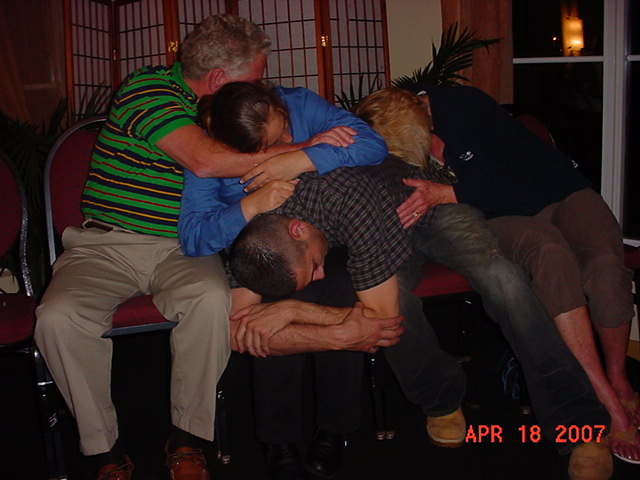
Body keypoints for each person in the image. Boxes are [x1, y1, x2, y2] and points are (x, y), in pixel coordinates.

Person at [226, 86, 623, 480]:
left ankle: (580, 426)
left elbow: (377, 320)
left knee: (502, 279)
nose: (322, 273)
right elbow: (239, 329)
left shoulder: (350, 200)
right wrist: (290, 320)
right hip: (383, 225)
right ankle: (441, 399)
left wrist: (290, 310)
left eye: (315, 266)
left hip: (428, 206)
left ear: (297, 231)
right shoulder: (251, 228)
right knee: (399, 301)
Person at [34, 14, 278, 480]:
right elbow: (205, 161)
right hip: (105, 245)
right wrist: (305, 153)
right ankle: (106, 452)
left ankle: (186, 441)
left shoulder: (226, 111)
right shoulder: (147, 89)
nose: (261, 88)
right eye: (254, 78)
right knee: (57, 317)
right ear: (218, 78)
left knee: (211, 298)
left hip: (180, 247)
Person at [393, 82, 640, 465]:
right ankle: (602, 400)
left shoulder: (457, 103)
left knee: (607, 265)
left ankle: (619, 380)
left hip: (558, 190)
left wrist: (450, 192)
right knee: (550, 256)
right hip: (504, 215)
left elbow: (507, 177)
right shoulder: (399, 151)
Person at [179, 80, 389, 480]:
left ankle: (335, 428)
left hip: (324, 234)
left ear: (278, 105)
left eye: (285, 130)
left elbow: (373, 146)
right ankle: (279, 437)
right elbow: (195, 238)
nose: (287, 141)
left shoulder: (300, 103)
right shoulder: (210, 150)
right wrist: (249, 205)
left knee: (339, 287)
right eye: (270, 145)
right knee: (268, 301)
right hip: (259, 242)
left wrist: (301, 158)